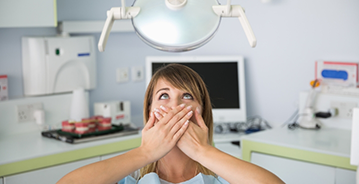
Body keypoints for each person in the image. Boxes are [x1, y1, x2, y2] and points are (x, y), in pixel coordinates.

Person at [58, 63, 284, 184]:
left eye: (187, 96)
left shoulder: (222, 179)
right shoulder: (130, 180)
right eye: (164, 96)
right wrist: (146, 152)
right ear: (149, 111)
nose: (175, 105)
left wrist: (203, 152)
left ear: (202, 112)